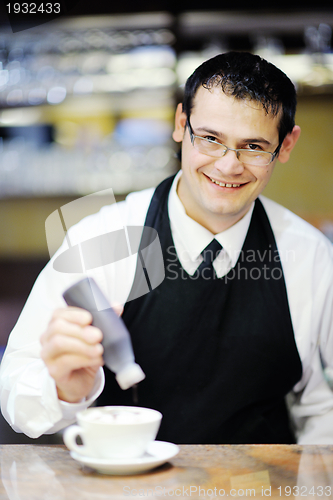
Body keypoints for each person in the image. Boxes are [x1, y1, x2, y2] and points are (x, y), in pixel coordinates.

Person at [1, 51, 333, 444]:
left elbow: (322, 409)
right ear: (181, 124)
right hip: (126, 485)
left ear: (286, 145)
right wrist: (64, 389)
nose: (228, 166)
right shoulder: (107, 238)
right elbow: (16, 397)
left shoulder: (309, 256)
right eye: (210, 139)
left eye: (254, 147)